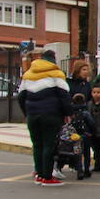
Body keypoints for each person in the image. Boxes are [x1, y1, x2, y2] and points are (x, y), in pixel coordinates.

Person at [18, 49, 71, 186]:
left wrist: (27, 112)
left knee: (37, 145)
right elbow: (64, 96)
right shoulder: (56, 74)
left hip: (32, 115)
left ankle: (39, 175)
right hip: (51, 115)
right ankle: (48, 177)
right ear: (54, 60)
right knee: (49, 144)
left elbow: (21, 97)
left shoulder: (28, 74)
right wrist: (67, 113)